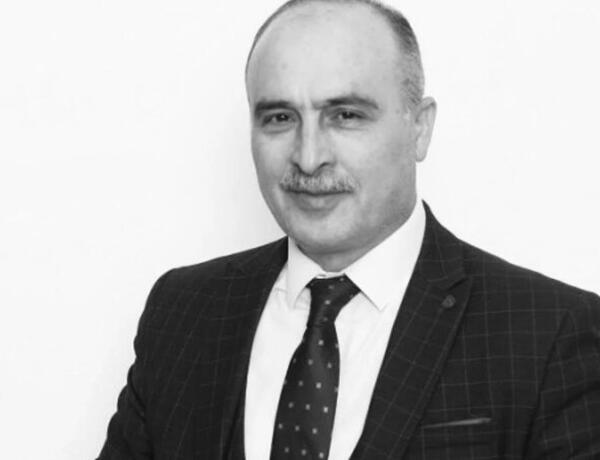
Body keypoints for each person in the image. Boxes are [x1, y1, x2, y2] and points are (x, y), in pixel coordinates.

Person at [97, 0, 600, 458]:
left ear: (419, 127)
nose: (308, 156)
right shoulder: (183, 313)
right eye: (279, 117)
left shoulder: (551, 335)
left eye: (345, 115)